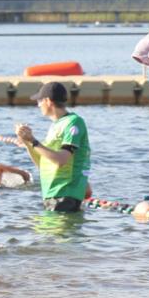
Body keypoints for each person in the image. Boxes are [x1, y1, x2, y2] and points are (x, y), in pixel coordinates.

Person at [15, 82, 91, 213]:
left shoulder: (73, 122)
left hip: (65, 194)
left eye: (39, 101)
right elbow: (42, 163)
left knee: (57, 233)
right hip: (52, 194)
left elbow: (62, 160)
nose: (38, 105)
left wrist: (33, 141)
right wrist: (27, 142)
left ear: (48, 101)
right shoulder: (55, 126)